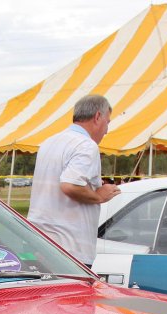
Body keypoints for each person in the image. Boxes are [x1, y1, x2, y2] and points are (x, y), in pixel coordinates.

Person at [26, 94, 121, 266]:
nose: (106, 130)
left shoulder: (50, 142)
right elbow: (70, 185)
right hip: (70, 247)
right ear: (97, 116)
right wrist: (99, 196)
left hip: (40, 241)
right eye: (108, 122)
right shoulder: (85, 145)